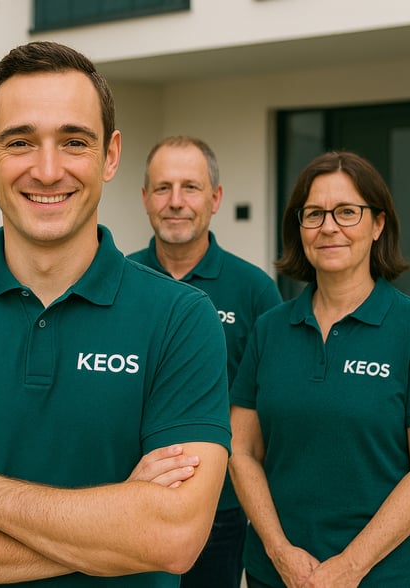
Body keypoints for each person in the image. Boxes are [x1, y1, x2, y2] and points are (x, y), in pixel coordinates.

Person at [0, 40, 232, 588]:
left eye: (74, 141)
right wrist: (115, 526)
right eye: (21, 142)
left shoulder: (181, 318)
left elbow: (173, 537)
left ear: (110, 155)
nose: (48, 169)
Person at [229, 151, 410, 587]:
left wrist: (350, 566)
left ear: (378, 225)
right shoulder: (269, 329)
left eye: (347, 212)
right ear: (299, 229)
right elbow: (242, 452)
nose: (329, 226)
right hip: (279, 573)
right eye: (314, 213)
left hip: (388, 574)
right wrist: (280, 552)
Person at [128, 136, 282, 588]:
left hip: (222, 509)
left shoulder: (255, 291)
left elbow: (270, 406)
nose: (176, 202)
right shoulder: (116, 281)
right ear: (144, 198)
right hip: (125, 501)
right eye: (162, 188)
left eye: (190, 188)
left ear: (215, 198)